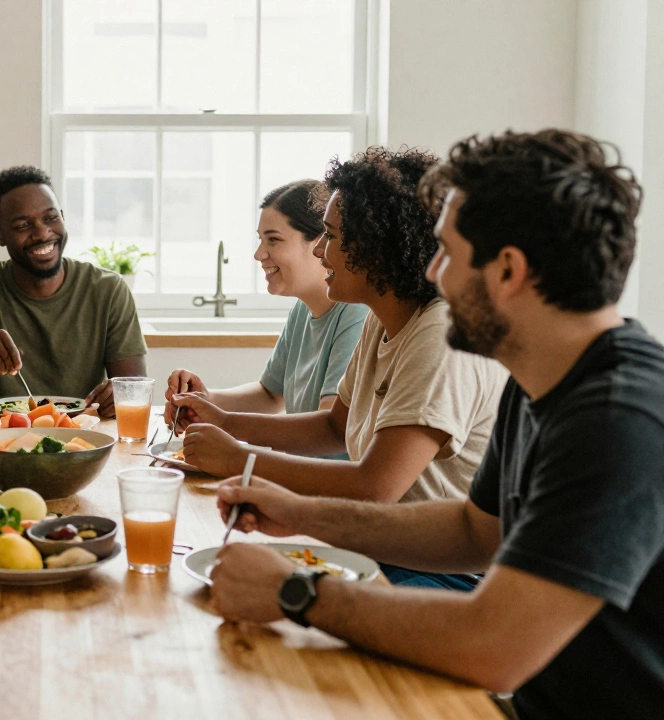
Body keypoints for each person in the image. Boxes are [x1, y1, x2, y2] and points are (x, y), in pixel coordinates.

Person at [209, 129, 663, 719]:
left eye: (445, 252)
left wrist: (295, 592)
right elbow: (476, 532)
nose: (432, 271)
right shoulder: (543, 381)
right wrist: (296, 512)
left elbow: (495, 644)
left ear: (508, 271)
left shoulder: (617, 418)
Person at [175, 147, 507, 589]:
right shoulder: (381, 318)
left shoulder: (437, 333)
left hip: (442, 573)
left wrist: (241, 459)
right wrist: (227, 421)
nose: (322, 251)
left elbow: (375, 487)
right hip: (377, 548)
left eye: (330, 236)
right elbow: (335, 427)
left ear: (376, 245)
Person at [0, 165, 147, 417]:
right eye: (23, 225)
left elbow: (136, 390)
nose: (42, 233)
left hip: (85, 441)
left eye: (51, 218)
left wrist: (121, 395)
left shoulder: (108, 291)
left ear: (63, 217)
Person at [165, 180, 368, 460]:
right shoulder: (302, 310)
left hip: (325, 487)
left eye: (273, 239)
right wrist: (204, 399)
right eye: (261, 239)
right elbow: (270, 396)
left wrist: (228, 432)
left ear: (320, 242)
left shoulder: (357, 314)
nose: (259, 253)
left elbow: (329, 428)